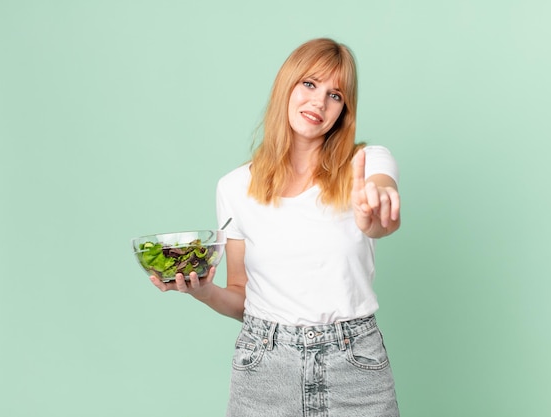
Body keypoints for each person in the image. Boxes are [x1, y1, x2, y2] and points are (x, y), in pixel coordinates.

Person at [150, 38, 401, 417]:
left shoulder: (364, 164)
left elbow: (383, 207)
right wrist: (203, 292)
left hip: (355, 366)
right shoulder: (234, 187)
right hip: (265, 367)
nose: (319, 102)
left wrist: (378, 213)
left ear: (343, 111)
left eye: (335, 95)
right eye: (310, 84)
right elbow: (241, 296)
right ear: (287, 85)